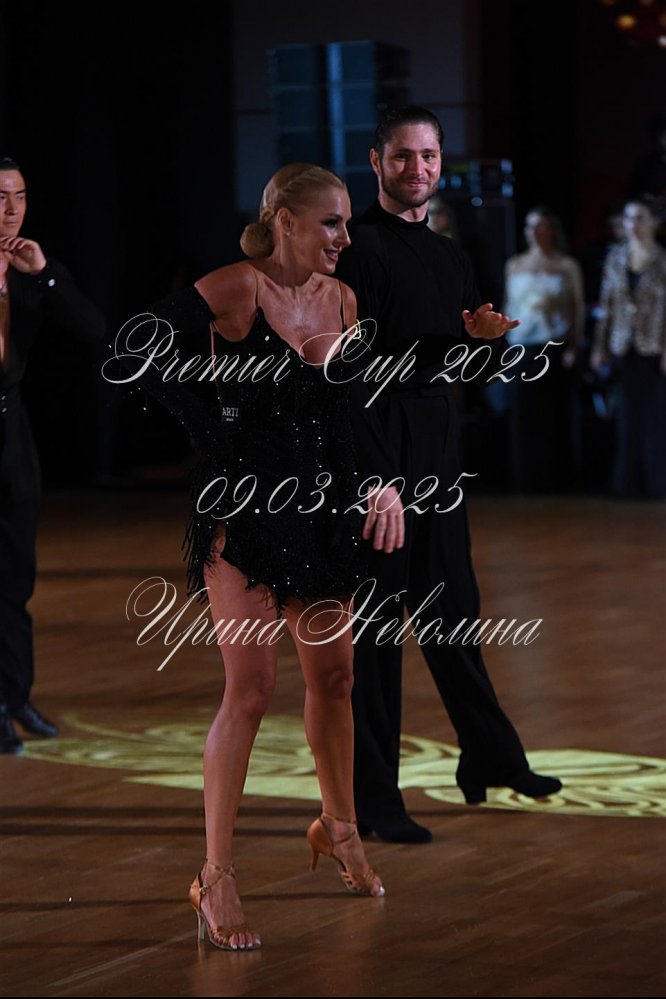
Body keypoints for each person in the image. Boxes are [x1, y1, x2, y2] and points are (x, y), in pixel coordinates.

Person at [116, 164, 388, 951]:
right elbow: (133, 349)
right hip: (243, 517)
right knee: (252, 687)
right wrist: (209, 434)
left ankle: (339, 825)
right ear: (285, 223)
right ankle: (215, 874)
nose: (344, 237)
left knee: (337, 678)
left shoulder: (343, 302)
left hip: (321, 515)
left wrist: (366, 492)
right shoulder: (237, 287)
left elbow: (343, 421)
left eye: (346, 222)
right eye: (331, 222)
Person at [335, 106, 563, 844]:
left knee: (453, 610)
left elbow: (452, 365)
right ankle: (375, 799)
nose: (418, 169)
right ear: (377, 162)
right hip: (381, 454)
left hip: (436, 450)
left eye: (429, 155)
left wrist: (487, 344)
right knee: (376, 636)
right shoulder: (359, 250)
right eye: (404, 156)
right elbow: (354, 374)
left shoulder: (449, 255)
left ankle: (489, 756)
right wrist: (375, 480)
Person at [0, 157, 105, 754]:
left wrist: (42, 276)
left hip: (12, 431)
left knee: (16, 577)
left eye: (19, 196)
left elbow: (93, 329)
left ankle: (16, 697)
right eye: (0, 197)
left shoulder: (31, 265)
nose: (11, 209)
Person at [501, 206, 584, 491]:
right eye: (530, 226)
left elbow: (576, 308)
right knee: (523, 415)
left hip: (553, 346)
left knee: (553, 413)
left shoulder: (567, 265)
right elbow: (508, 305)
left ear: (552, 230)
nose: (535, 232)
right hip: (521, 346)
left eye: (541, 225)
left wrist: (574, 345)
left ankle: (556, 478)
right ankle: (526, 478)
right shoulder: (514, 264)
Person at [591, 196, 666, 498]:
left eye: (639, 218)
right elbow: (607, 305)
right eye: (628, 218)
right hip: (622, 344)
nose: (633, 224)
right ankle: (627, 483)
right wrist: (599, 347)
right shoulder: (615, 258)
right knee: (625, 416)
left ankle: (657, 482)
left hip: (654, 346)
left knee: (655, 416)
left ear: (654, 222)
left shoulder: (662, 260)